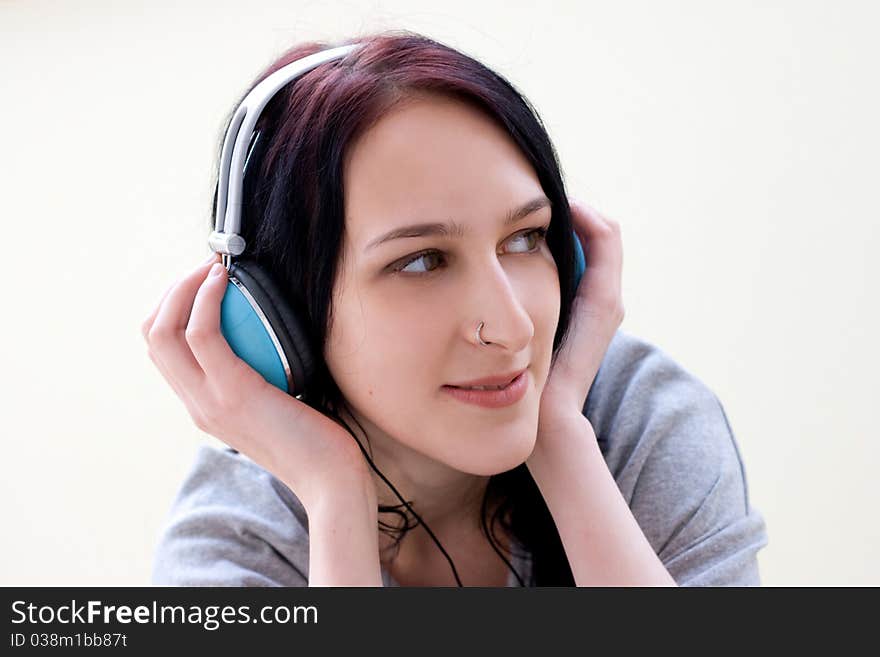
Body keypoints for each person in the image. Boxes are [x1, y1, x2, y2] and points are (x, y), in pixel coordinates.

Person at [143, 30, 768, 586]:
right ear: (280, 317)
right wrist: (336, 496)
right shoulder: (237, 544)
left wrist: (560, 440)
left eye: (525, 239)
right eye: (422, 261)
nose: (514, 326)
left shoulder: (639, 420)